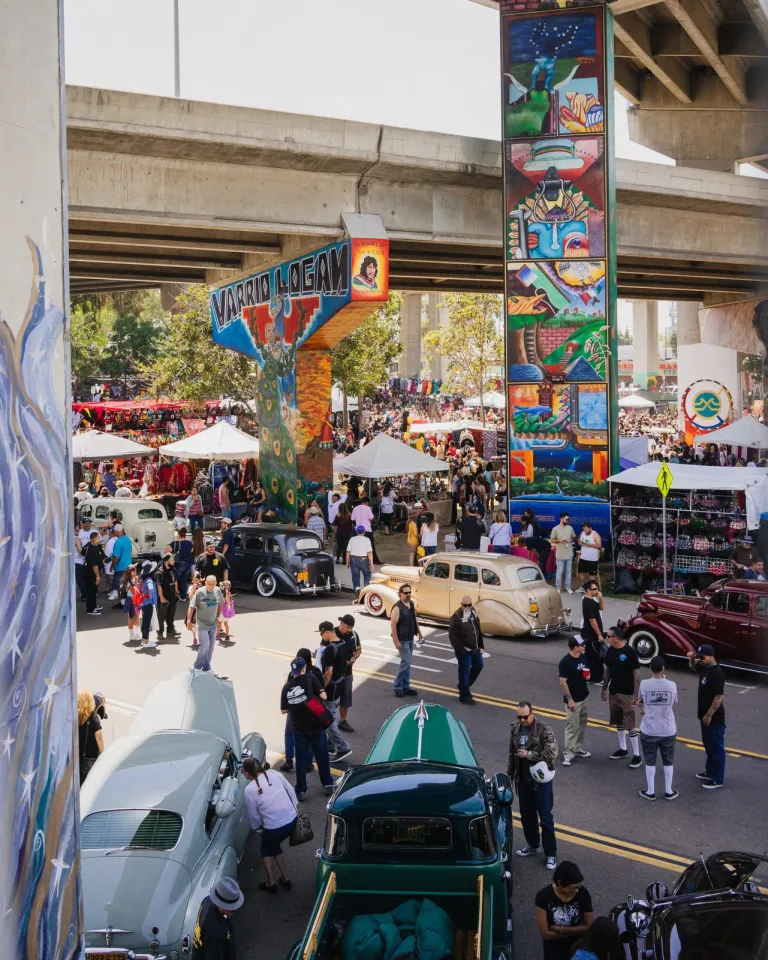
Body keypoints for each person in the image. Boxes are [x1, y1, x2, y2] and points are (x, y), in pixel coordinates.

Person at [509, 701, 559, 870]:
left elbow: (552, 752)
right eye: (519, 717)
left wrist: (528, 754)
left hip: (541, 782)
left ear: (532, 714)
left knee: (545, 818)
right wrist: (510, 775)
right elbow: (511, 754)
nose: (522, 720)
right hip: (523, 780)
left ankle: (551, 854)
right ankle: (533, 845)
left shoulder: (544, 729)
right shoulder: (515, 729)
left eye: (525, 717)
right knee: (526, 816)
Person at [280, 656, 335, 801]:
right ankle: (328, 785)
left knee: (301, 759)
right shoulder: (311, 679)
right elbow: (324, 696)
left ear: (293, 672)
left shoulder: (286, 687)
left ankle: (300, 790)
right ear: (304, 668)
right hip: (316, 725)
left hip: (298, 728)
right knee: (322, 755)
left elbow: (284, 711)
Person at [242, 757, 297, 893]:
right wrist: (294, 810)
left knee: (266, 849)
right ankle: (286, 879)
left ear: (247, 773)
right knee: (274, 845)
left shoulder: (250, 790)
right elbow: (291, 791)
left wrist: (257, 829)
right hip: (292, 820)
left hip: (275, 828)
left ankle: (271, 883)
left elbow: (254, 817)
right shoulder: (275, 774)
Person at [637, 655, 679, 801]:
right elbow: (674, 702)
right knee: (668, 760)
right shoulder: (671, 685)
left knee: (650, 761)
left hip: (649, 728)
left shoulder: (644, 684)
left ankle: (650, 791)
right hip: (668, 729)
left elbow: (640, 700)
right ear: (663, 668)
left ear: (650, 668)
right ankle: (668, 790)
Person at [535, 861, 593, 960]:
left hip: (578, 946)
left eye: (579, 886)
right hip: (554, 949)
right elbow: (545, 934)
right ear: (560, 883)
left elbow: (589, 926)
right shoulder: (543, 896)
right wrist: (577, 931)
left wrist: (561, 930)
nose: (577, 890)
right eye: (573, 888)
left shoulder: (583, 893)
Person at [601, 626, 641, 768]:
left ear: (616, 638)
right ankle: (623, 749)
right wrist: (604, 688)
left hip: (627, 693)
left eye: (609, 636)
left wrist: (636, 695)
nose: (607, 638)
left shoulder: (630, 652)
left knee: (630, 725)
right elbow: (608, 671)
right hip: (614, 691)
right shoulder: (610, 651)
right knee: (618, 721)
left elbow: (636, 674)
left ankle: (637, 754)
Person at [687, 644, 726, 789]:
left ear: (711, 656)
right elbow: (693, 668)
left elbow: (718, 697)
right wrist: (691, 659)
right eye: (698, 657)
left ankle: (717, 779)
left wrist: (709, 714)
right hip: (703, 717)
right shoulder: (704, 668)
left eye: (702, 657)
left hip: (713, 719)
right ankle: (709, 772)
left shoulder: (717, 673)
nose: (700, 659)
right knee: (709, 746)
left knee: (716, 748)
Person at [281, 646, 321, 773]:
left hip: (294, 710)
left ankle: (288, 761)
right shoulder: (315, 672)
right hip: (311, 710)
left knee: (289, 734)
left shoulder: (292, 674)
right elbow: (321, 690)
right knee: (309, 737)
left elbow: (287, 688)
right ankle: (308, 763)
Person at [317, 622, 352, 761]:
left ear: (326, 632)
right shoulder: (343, 643)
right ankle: (330, 745)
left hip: (331, 688)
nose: (321, 637)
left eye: (321, 633)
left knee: (328, 720)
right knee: (332, 713)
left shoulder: (330, 649)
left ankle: (343, 747)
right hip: (340, 684)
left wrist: (322, 688)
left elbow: (328, 672)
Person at [558, 636, 591, 767]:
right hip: (573, 700)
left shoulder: (583, 657)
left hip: (584, 696)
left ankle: (577, 748)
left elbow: (587, 673)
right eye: (583, 644)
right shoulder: (565, 662)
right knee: (572, 726)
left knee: (582, 724)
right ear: (576, 647)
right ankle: (568, 753)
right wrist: (570, 700)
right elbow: (562, 682)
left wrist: (588, 676)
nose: (585, 646)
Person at [191, 877, 243, 959]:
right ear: (221, 905)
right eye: (232, 909)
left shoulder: (207, 900)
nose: (235, 909)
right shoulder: (214, 932)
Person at [448, 596, 484, 705]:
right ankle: (464, 695)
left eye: (469, 605)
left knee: (479, 665)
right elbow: (452, 636)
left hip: (475, 648)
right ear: (461, 604)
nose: (467, 607)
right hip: (464, 651)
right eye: (465, 605)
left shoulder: (473, 612)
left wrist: (481, 644)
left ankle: (464, 685)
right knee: (464, 672)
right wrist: (462, 650)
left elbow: (477, 627)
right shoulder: (456, 617)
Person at [390, 583, 422, 698]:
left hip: (410, 637)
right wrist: (396, 641)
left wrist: (420, 633)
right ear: (400, 594)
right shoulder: (397, 607)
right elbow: (393, 625)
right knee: (406, 662)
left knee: (407, 663)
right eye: (406, 593)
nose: (408, 594)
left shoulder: (411, 604)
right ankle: (397, 686)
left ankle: (405, 686)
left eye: (410, 592)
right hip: (402, 639)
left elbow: (414, 618)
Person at [186, 575, 223, 672]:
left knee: (211, 647)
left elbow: (220, 604)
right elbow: (191, 606)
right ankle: (197, 667)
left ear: (215, 583)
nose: (211, 586)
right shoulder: (199, 592)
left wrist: (218, 617)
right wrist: (188, 621)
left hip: (213, 624)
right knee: (205, 645)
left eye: (213, 584)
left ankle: (207, 668)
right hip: (202, 624)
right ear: (205, 583)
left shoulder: (217, 591)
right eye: (209, 584)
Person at [335, 614, 362, 733]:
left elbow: (359, 649)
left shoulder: (354, 635)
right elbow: (323, 650)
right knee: (332, 699)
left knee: (345, 698)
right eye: (347, 627)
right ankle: (327, 721)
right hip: (334, 674)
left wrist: (354, 658)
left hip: (347, 673)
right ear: (341, 623)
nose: (349, 630)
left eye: (351, 627)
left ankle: (342, 721)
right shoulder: (333, 634)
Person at [580, 581, 605, 685]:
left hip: (591, 633)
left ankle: (590, 677)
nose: (596, 591)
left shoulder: (592, 600)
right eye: (594, 589)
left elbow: (601, 607)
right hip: (591, 634)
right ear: (588, 590)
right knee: (596, 656)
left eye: (597, 588)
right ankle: (598, 678)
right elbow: (592, 620)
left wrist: (601, 598)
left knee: (590, 655)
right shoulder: (587, 602)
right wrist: (599, 634)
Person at [78, 690, 104, 785]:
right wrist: (102, 752)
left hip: (78, 756)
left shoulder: (76, 716)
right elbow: (98, 735)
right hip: (90, 757)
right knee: (90, 782)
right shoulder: (93, 716)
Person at [155, 550, 180, 642]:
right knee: (161, 616)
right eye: (172, 560)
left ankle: (170, 629)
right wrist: (161, 597)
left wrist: (177, 591)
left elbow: (175, 580)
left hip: (172, 596)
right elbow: (159, 585)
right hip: (164, 598)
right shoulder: (160, 572)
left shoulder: (173, 569)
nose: (173, 561)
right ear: (166, 561)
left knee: (171, 614)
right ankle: (160, 632)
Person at [550, 513, 576, 594]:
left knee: (568, 572)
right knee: (559, 572)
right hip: (560, 554)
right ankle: (558, 587)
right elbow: (552, 540)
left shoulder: (570, 528)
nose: (567, 521)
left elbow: (574, 537)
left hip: (569, 553)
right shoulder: (555, 529)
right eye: (566, 519)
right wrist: (560, 541)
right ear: (561, 519)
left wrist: (571, 540)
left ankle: (568, 588)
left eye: (568, 519)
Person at [108, 522, 133, 603]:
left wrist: (112, 566)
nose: (114, 533)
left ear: (118, 532)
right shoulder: (127, 539)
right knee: (125, 584)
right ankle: (124, 601)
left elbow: (116, 557)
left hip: (120, 567)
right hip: (128, 565)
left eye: (114, 531)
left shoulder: (118, 542)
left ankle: (120, 599)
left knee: (118, 583)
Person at [137, 560, 158, 650]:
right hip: (148, 603)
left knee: (145, 621)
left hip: (143, 604)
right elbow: (151, 588)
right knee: (147, 622)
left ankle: (144, 639)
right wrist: (151, 596)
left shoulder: (143, 580)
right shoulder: (149, 580)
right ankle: (146, 641)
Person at [346, 525, 374, 597]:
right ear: (364, 532)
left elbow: (348, 551)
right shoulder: (367, 539)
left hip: (353, 559)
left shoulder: (352, 539)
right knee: (367, 575)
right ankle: (366, 591)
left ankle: (357, 588)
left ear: (356, 532)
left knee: (355, 576)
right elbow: (369, 552)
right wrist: (371, 563)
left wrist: (347, 561)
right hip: (363, 559)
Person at [350, 495, 379, 561]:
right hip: (367, 529)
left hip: (358, 530)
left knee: (358, 545)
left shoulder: (355, 508)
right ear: (367, 502)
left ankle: (358, 558)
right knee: (370, 545)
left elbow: (352, 519)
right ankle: (372, 559)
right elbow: (371, 518)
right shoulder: (368, 508)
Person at [83, 530, 105, 616]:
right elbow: (94, 565)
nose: (99, 539)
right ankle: (90, 609)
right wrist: (98, 576)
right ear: (93, 539)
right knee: (91, 591)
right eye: (98, 538)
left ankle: (94, 605)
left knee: (93, 591)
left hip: (91, 573)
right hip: (90, 574)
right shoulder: (92, 550)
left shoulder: (95, 547)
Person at [172, 527, 195, 600]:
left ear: (179, 535)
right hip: (189, 563)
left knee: (174, 579)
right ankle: (183, 596)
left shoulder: (175, 543)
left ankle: (174, 594)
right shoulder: (190, 543)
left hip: (180, 563)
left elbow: (167, 550)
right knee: (183, 579)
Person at [577, 524, 601, 590]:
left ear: (590, 528)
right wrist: (580, 542)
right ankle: (582, 587)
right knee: (580, 573)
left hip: (592, 559)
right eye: (584, 530)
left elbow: (599, 546)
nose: (585, 531)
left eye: (587, 530)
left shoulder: (595, 534)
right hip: (583, 557)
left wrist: (589, 544)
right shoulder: (582, 533)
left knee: (591, 575)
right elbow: (579, 542)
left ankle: (592, 589)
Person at [122, 565, 141, 642]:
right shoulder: (128, 582)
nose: (135, 572)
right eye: (133, 571)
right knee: (131, 617)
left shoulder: (133, 579)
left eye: (135, 570)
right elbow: (135, 591)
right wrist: (137, 582)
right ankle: (131, 635)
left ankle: (137, 634)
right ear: (129, 572)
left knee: (137, 616)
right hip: (131, 600)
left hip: (135, 600)